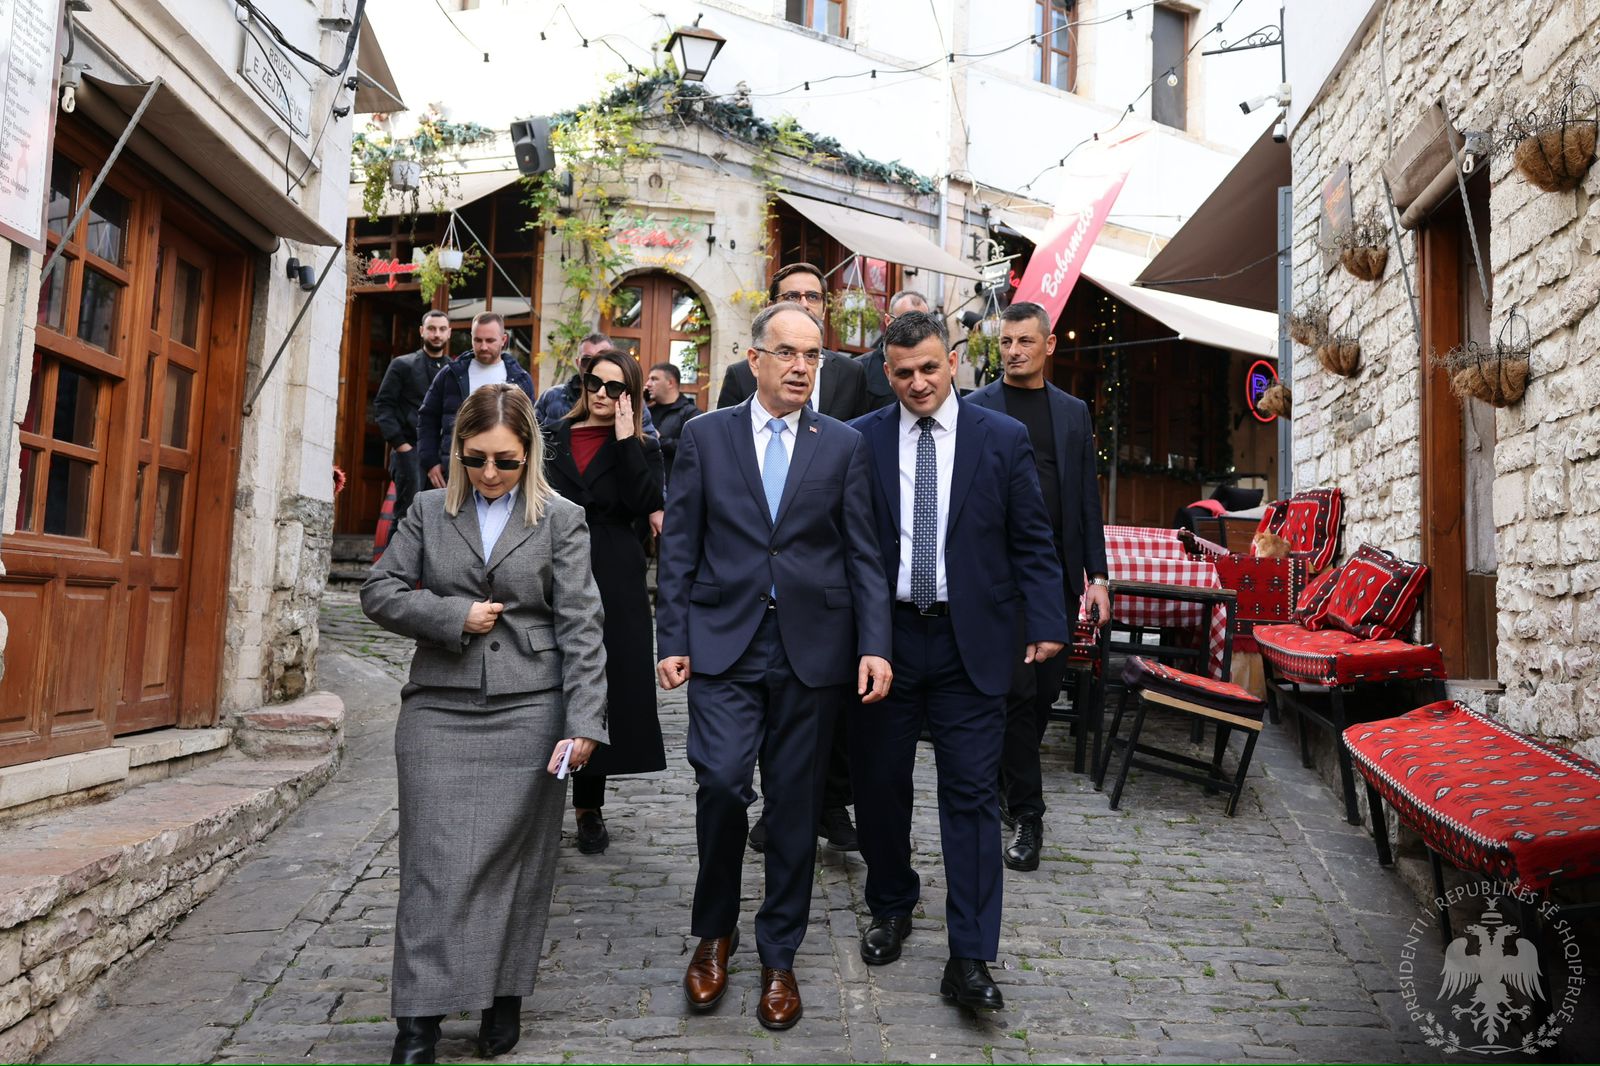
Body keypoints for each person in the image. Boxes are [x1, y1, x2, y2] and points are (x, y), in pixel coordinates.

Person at [656, 302, 892, 1032]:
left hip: (813, 651)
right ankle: (714, 933)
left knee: (794, 807)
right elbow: (680, 545)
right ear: (753, 359)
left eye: (812, 355)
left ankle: (779, 954)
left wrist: (875, 643)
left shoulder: (843, 445)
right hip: (724, 644)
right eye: (786, 353)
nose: (800, 366)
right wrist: (671, 637)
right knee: (722, 786)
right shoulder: (704, 436)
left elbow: (863, 553)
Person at [360, 383, 608, 1064]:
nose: (490, 475)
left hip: (532, 707)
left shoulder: (561, 517)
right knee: (432, 867)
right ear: (457, 449)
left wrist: (586, 722)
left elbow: (582, 626)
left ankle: (503, 995)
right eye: (476, 459)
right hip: (439, 704)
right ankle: (419, 1021)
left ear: (528, 453)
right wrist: (449, 616)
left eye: (504, 461)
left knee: (514, 864)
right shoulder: (427, 511)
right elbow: (378, 591)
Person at [847, 310, 1068, 1013]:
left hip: (974, 641)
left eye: (930, 368)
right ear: (888, 373)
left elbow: (1032, 538)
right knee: (880, 785)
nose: (918, 382)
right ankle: (891, 903)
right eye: (904, 372)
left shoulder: (1001, 438)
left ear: (954, 363)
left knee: (971, 798)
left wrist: (1046, 618)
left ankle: (970, 955)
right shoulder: (862, 441)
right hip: (888, 642)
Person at [967, 301, 1112, 872]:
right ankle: (1030, 813)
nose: (1013, 351)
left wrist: (1096, 578)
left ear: (1048, 346)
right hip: (996, 577)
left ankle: (1009, 784)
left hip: (1054, 575)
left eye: (1025, 341)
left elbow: (1086, 499)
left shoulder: (1073, 413)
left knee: (1041, 692)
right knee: (1014, 691)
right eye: (1005, 342)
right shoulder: (976, 408)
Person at [544, 349, 667, 855]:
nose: (601, 393)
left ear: (630, 396)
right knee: (549, 675)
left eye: (615, 388)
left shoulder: (641, 445)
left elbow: (644, 501)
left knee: (603, 684)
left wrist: (623, 441)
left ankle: (588, 806)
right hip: (553, 563)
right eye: (595, 382)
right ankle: (535, 802)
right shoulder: (550, 437)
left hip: (614, 569)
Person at [716, 263, 869, 420]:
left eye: (813, 297)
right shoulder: (741, 375)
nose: (804, 304)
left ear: (823, 310)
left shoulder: (851, 374)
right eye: (792, 296)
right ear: (771, 307)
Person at [417, 313, 536, 488]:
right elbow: (427, 418)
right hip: (454, 470)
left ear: (503, 339)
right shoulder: (450, 374)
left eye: (490, 340)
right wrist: (430, 462)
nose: (483, 346)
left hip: (501, 472)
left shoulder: (520, 379)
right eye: (477, 340)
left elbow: (530, 430)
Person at [372, 310, 453, 525]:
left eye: (442, 329)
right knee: (406, 518)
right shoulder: (402, 365)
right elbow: (383, 406)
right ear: (422, 331)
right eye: (432, 329)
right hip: (411, 451)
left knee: (440, 519)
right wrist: (400, 445)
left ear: (449, 333)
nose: (437, 334)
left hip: (443, 454)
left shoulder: (454, 370)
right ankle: (394, 560)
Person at [856, 290, 930, 412]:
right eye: (905, 322)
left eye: (922, 324)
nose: (914, 331)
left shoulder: (938, 368)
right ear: (888, 321)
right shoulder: (860, 370)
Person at [535, 332, 612, 426]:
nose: (593, 367)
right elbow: (531, 436)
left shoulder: (619, 403)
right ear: (577, 362)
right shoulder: (551, 396)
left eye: (600, 361)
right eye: (587, 360)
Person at [645, 362, 699, 482]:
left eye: (654, 379)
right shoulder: (647, 411)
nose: (647, 384)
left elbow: (693, 448)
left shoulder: (690, 413)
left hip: (673, 485)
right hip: (647, 483)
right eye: (648, 379)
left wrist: (659, 439)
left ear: (670, 383)